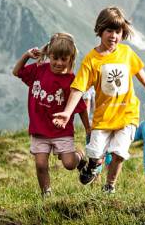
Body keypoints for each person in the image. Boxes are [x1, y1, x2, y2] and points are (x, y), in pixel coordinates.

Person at [53, 6, 145, 194]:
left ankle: (110, 186)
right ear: (100, 31)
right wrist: (67, 112)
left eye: (117, 31)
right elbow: (78, 88)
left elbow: (137, 69)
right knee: (95, 152)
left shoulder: (126, 53)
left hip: (127, 114)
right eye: (109, 31)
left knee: (119, 153)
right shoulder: (92, 60)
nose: (113, 36)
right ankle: (93, 164)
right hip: (103, 118)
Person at [12, 32, 91, 197]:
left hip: (61, 131)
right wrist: (27, 55)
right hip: (39, 130)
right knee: (41, 164)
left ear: (70, 59)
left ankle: (80, 156)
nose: (58, 63)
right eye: (55, 58)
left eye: (64, 59)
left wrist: (88, 128)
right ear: (49, 55)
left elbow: (81, 106)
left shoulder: (71, 80)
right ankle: (46, 193)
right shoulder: (39, 70)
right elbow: (16, 72)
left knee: (69, 164)